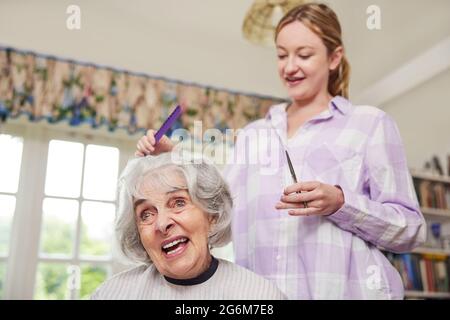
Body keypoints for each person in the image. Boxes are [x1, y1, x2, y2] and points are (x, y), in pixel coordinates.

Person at [135, 3, 426, 299]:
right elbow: (217, 206)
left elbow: (411, 230)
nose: (289, 67)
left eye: (304, 54)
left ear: (334, 57)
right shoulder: (254, 135)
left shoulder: (369, 124)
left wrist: (341, 202)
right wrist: (173, 157)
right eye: (282, 55)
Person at [91, 151, 286, 300]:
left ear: (212, 215)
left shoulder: (259, 296)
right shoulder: (111, 294)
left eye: (179, 203)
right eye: (147, 214)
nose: (162, 223)